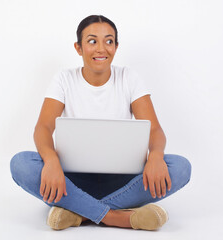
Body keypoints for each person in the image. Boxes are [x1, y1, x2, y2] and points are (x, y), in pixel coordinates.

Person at [10, 15, 191, 231]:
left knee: (180, 168)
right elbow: (43, 128)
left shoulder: (128, 78)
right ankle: (116, 217)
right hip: (70, 179)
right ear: (79, 48)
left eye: (109, 41)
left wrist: (155, 156)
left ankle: (78, 212)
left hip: (123, 180)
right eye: (92, 41)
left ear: (116, 46)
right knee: (20, 163)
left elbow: (154, 129)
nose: (101, 49)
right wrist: (50, 161)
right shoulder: (64, 79)